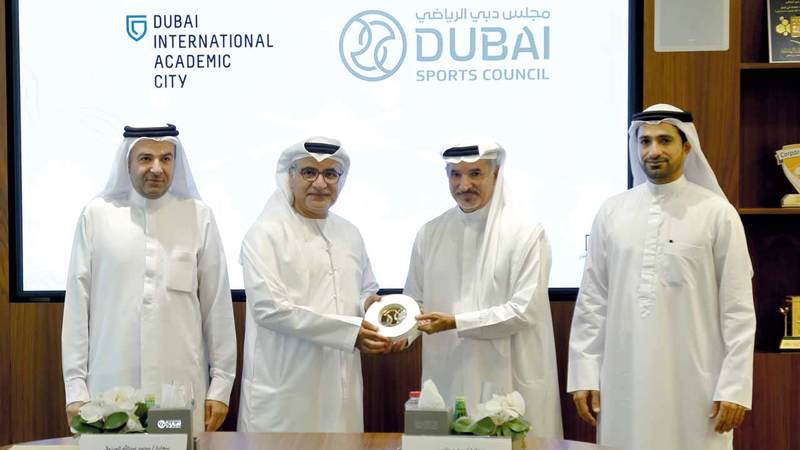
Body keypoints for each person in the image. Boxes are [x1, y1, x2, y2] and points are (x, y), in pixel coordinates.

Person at [567, 104, 756, 450]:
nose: (653, 151)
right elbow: (593, 300)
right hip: (623, 379)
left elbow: (738, 309)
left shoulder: (717, 214)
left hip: (697, 383)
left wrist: (735, 386)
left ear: (687, 146)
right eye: (645, 141)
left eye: (665, 140)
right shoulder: (612, 212)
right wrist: (584, 374)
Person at [62, 124, 237, 432]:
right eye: (145, 158)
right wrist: (76, 389)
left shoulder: (198, 216)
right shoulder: (97, 216)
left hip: (179, 386)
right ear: (128, 162)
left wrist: (220, 387)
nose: (157, 168)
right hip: (111, 386)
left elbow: (217, 307)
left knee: (178, 448)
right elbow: (77, 308)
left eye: (166, 159)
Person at [237, 137, 400, 432]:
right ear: (290, 176)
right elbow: (269, 309)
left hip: (340, 386)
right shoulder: (265, 234)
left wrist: (369, 305)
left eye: (330, 174)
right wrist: (349, 333)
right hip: (284, 389)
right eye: (309, 172)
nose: (320, 183)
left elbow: (365, 288)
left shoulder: (349, 233)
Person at [404, 137, 563, 438]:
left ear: (496, 174)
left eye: (475, 173)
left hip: (510, 374)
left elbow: (524, 311)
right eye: (455, 175)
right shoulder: (430, 233)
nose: (464, 185)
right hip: (448, 370)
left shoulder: (526, 232)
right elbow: (414, 301)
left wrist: (455, 322)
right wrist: (397, 333)